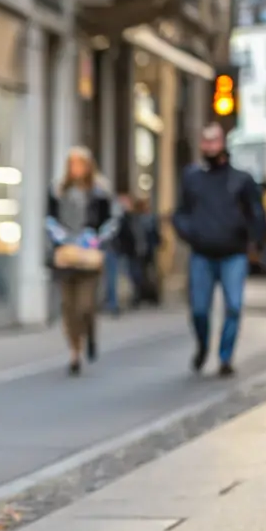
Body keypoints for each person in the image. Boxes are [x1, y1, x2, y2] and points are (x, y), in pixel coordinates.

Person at [172, 122, 266, 377]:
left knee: (233, 306)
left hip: (233, 253)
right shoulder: (192, 178)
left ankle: (225, 357)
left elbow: (256, 214)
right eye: (205, 141)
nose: (209, 146)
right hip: (202, 253)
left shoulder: (241, 180)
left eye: (214, 141)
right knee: (199, 309)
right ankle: (203, 345)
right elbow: (180, 213)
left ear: (223, 143)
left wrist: (255, 242)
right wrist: (189, 232)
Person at [46, 147, 120, 375]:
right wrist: (60, 237)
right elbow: (49, 219)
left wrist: (96, 239)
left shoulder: (100, 191)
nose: (76, 168)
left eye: (80, 163)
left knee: (85, 306)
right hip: (67, 257)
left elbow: (112, 221)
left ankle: (90, 333)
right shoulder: (58, 190)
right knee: (68, 307)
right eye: (73, 164)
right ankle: (75, 352)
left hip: (89, 258)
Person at [122, 195, 161, 307]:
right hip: (135, 251)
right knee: (136, 275)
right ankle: (139, 296)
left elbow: (154, 234)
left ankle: (149, 296)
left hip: (147, 251)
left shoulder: (148, 219)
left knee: (147, 275)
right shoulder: (131, 219)